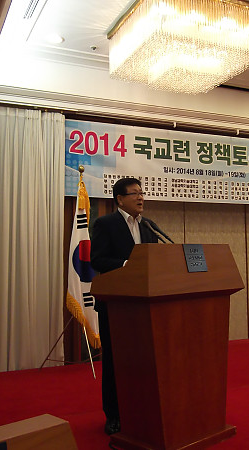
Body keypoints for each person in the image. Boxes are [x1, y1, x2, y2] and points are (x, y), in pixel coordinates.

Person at [90, 177, 164, 435]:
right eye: (134, 193)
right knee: (114, 361)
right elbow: (97, 260)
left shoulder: (149, 226)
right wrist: (126, 266)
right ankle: (113, 415)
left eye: (142, 193)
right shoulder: (105, 224)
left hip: (143, 305)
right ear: (120, 199)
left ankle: (141, 409)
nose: (141, 197)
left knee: (142, 361)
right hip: (115, 305)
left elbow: (154, 261)